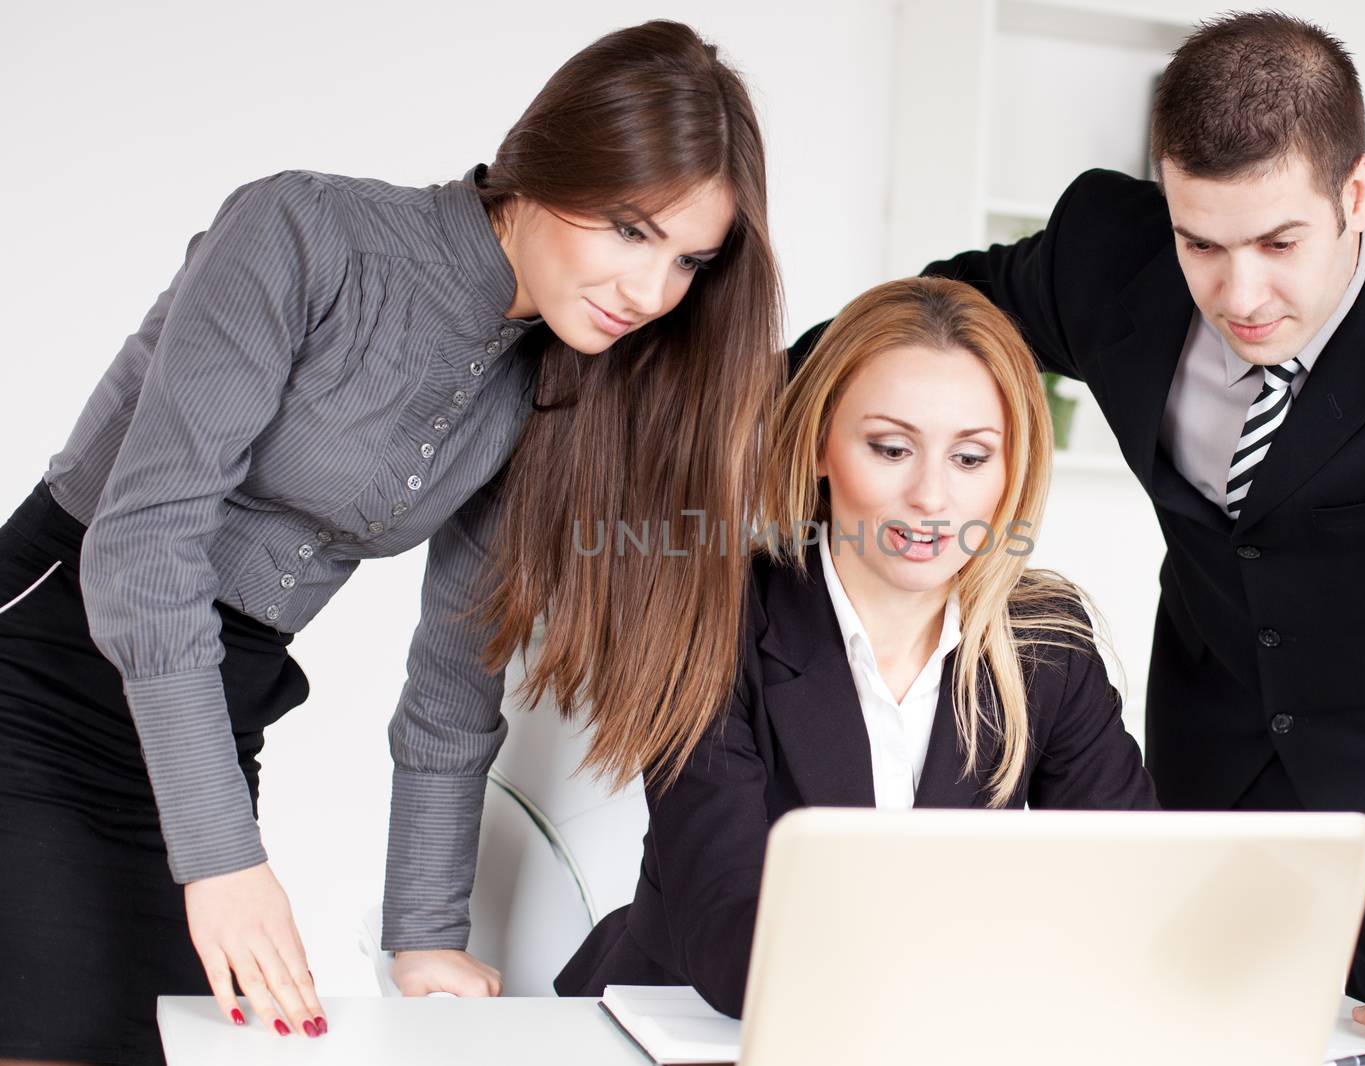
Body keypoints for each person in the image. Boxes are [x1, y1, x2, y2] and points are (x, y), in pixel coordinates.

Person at [790, 11, 1365, 1058]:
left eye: (1277, 242)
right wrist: (746, 410)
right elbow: (918, 327)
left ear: (1356, 190)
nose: (1238, 293)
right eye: (1201, 244)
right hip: (1202, 766)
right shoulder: (1109, 254)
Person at [0, 20, 783, 1066]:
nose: (649, 293)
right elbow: (142, 551)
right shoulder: (302, 231)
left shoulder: (551, 383)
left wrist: (424, 939)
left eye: (688, 259)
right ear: (545, 160)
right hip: (43, 672)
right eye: (629, 229)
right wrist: (225, 858)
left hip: (209, 723)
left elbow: (454, 684)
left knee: (169, 1047)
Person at [555, 276, 1158, 1015]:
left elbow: (1128, 894)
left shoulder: (1044, 639)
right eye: (891, 447)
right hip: (683, 1026)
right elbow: (738, 944)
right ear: (817, 446)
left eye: (970, 458)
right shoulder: (713, 621)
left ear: (1011, 471)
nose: (932, 499)